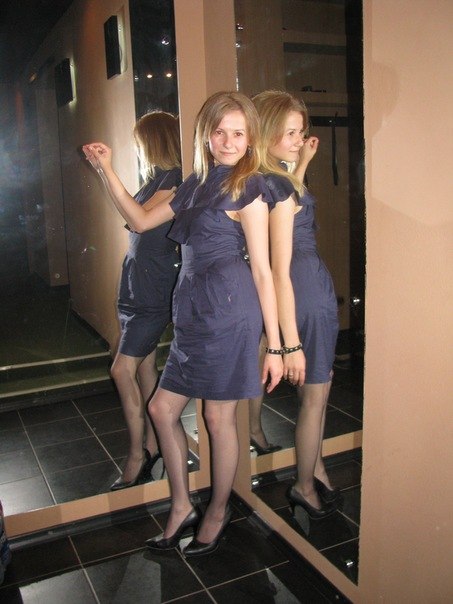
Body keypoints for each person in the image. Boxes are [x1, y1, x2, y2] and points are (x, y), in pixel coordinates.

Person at [83, 91, 283, 555]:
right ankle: (181, 506)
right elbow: (139, 221)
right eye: (219, 131)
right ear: (205, 135)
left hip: (229, 310)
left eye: (238, 133)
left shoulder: (250, 186)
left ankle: (217, 510)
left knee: (217, 416)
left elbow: (263, 270)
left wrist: (275, 345)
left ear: (251, 138)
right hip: (192, 309)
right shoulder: (196, 183)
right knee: (161, 410)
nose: (228, 141)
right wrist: (105, 169)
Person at [252, 90, 340, 518]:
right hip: (306, 292)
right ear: (267, 133)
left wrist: (301, 161)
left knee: (316, 391)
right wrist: (289, 344)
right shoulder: (280, 187)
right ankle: (304, 486)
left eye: (300, 132)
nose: (298, 140)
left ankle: (315, 468)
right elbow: (280, 269)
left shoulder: (265, 180)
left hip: (299, 292)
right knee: (316, 396)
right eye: (290, 133)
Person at [86, 111, 182, 491]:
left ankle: (138, 455)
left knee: (121, 370)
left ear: (155, 141)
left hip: (154, 287)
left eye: (142, 142)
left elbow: (141, 221)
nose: (140, 149)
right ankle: (156, 445)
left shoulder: (176, 180)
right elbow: (129, 215)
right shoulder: (155, 179)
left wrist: (108, 170)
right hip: (135, 282)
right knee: (143, 368)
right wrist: (101, 171)